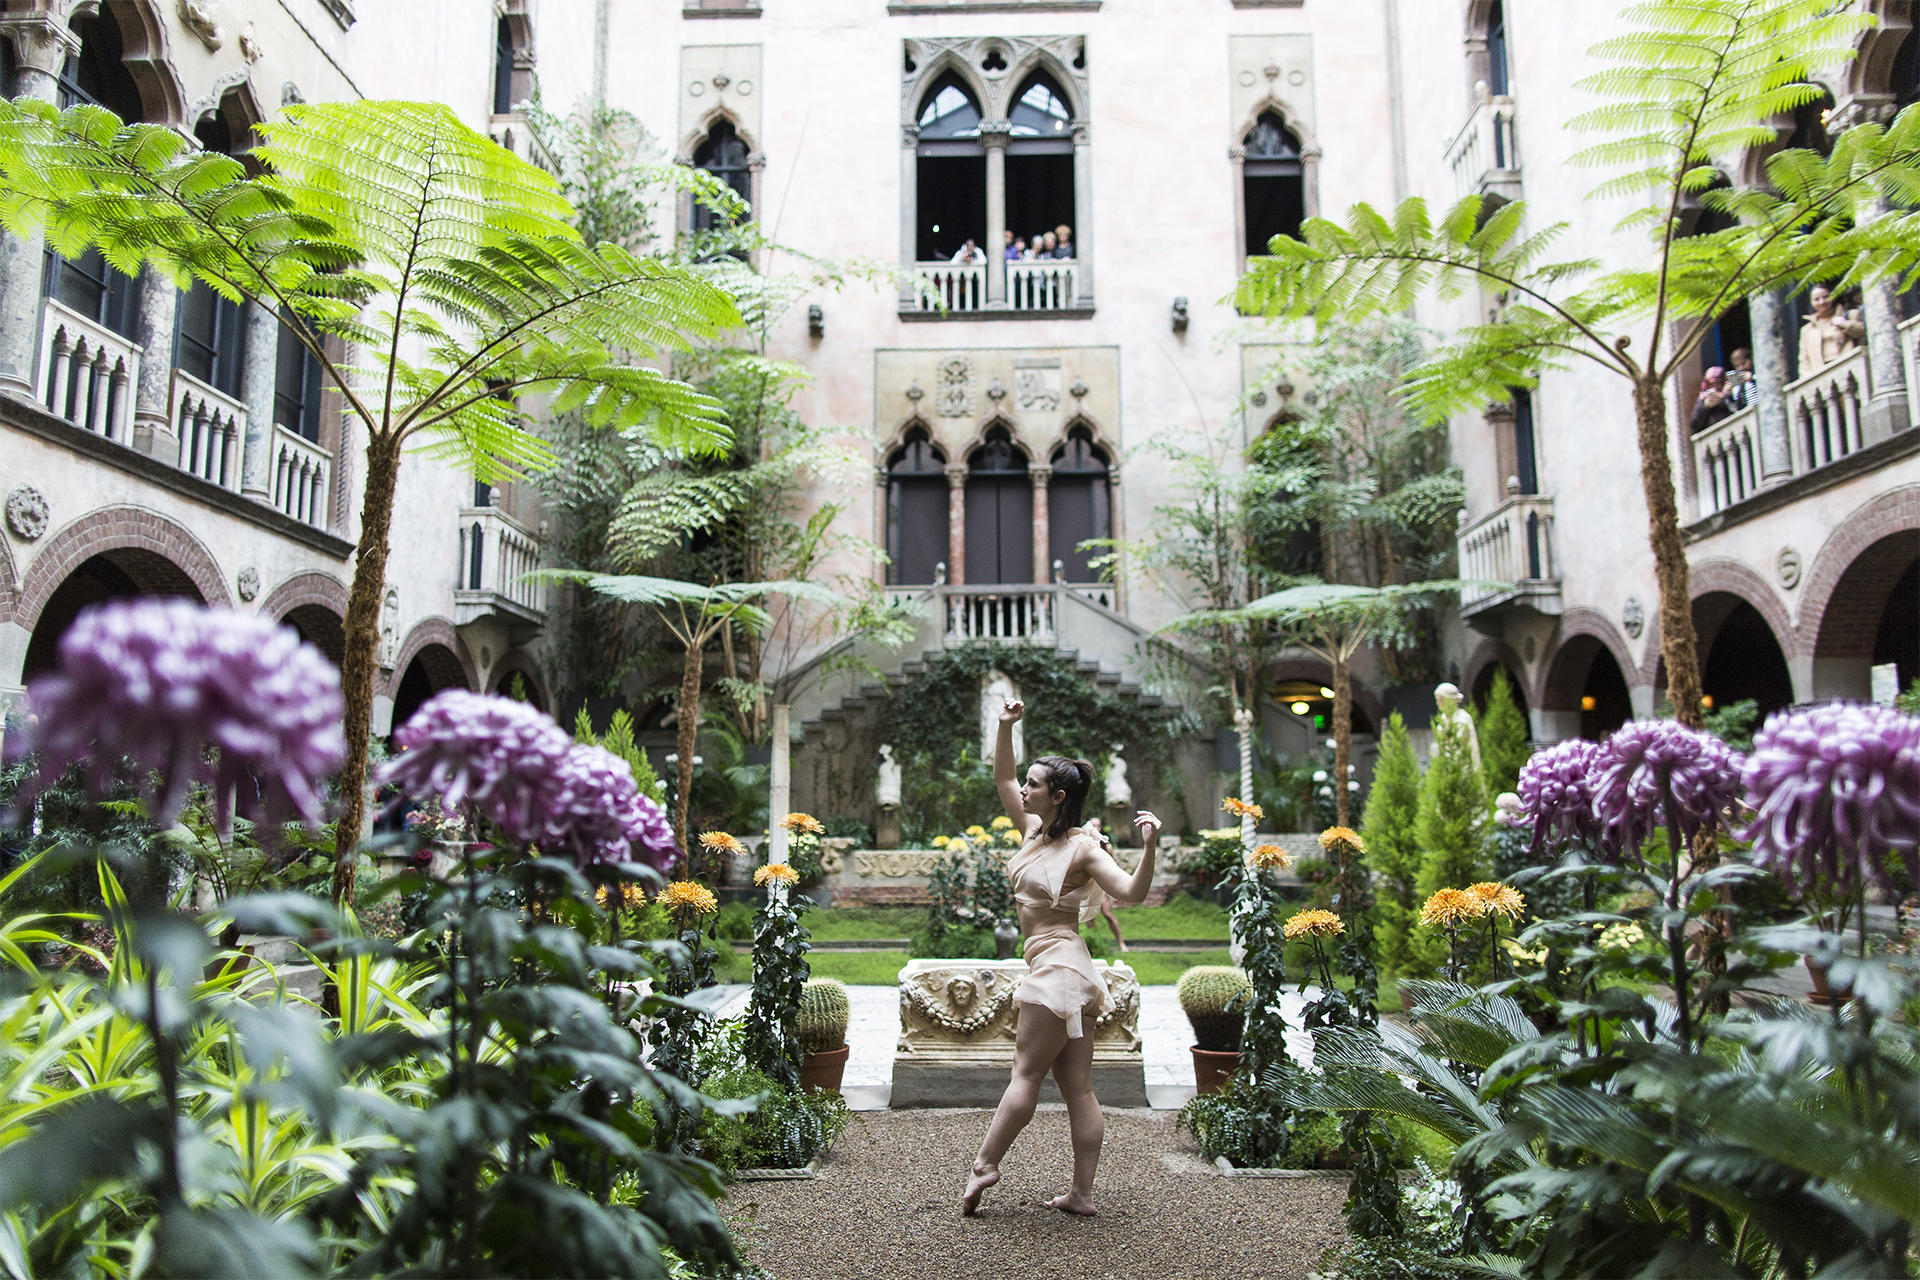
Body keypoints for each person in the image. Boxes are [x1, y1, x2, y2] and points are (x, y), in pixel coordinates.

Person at [962, 698, 1161, 1217]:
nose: (1023, 789)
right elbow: (1002, 775)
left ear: (1058, 796)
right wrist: (1005, 726)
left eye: (1034, 784)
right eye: (1027, 783)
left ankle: (985, 1163)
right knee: (1077, 1088)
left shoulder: (1084, 848)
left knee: (1026, 1074)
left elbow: (1132, 894)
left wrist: (1150, 848)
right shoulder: (1033, 829)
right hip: (1065, 970)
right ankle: (1082, 1195)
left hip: (1058, 967)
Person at [1082, 817, 1129, 951]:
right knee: (1089, 917)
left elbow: (1111, 866)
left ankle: (1121, 943)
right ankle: (1093, 944)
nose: (1096, 828)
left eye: (1098, 826)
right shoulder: (1084, 842)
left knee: (1107, 913)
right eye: (1093, 825)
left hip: (1101, 884)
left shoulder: (1105, 846)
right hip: (1087, 883)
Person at [1798, 284, 1864, 378]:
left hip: (1847, 368)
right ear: (1811, 302)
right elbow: (1804, 360)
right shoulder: (1806, 330)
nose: (1822, 302)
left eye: (1826, 297)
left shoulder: (1850, 315)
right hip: (1822, 375)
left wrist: (1844, 324)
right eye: (1816, 299)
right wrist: (1807, 379)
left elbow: (1863, 332)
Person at [1690, 366, 1732, 433]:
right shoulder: (1702, 399)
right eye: (1711, 384)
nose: (1715, 387)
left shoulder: (1731, 393)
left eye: (1718, 383)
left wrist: (1724, 397)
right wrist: (1706, 407)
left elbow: (1737, 410)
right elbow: (1695, 425)